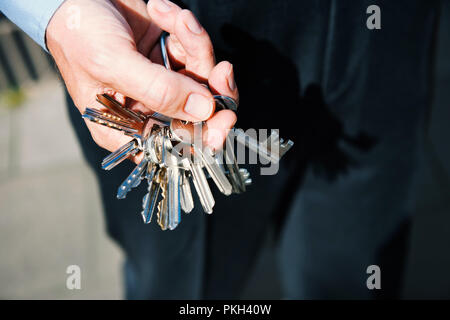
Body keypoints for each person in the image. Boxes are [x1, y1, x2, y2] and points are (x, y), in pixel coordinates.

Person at [1, 0, 440, 299]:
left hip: (382, 32)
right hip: (165, 40)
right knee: (180, 284)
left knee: (354, 267)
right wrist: (58, 9)